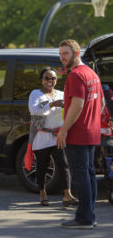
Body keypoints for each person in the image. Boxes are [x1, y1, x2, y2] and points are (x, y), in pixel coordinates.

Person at [57, 39, 105, 229]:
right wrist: (91, 121)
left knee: (81, 175)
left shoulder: (76, 75)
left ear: (76, 54)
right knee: (89, 174)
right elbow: (100, 104)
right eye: (60, 54)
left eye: (65, 54)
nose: (62, 58)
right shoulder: (92, 73)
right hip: (91, 133)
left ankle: (84, 218)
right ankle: (89, 216)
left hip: (78, 135)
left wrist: (63, 130)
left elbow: (77, 105)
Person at [28, 67, 77, 207]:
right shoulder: (36, 94)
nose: (50, 81)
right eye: (47, 78)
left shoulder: (61, 94)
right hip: (41, 135)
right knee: (42, 166)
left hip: (58, 135)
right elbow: (34, 109)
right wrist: (52, 104)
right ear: (41, 80)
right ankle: (42, 192)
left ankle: (67, 195)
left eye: (53, 78)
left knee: (63, 165)